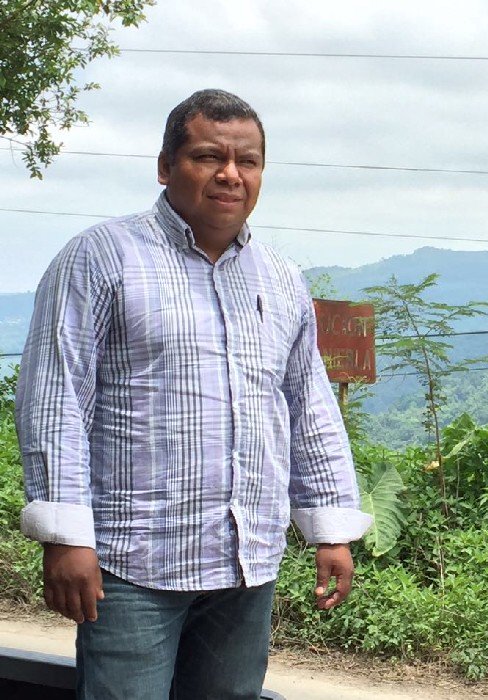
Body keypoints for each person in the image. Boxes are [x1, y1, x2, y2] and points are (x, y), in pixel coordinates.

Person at [15, 89, 372, 700]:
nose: (230, 174)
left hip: (246, 563)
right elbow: (56, 398)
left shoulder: (281, 278)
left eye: (248, 161)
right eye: (209, 156)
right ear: (165, 166)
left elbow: (307, 407)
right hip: (132, 562)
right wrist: (67, 535)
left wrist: (330, 528)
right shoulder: (103, 258)